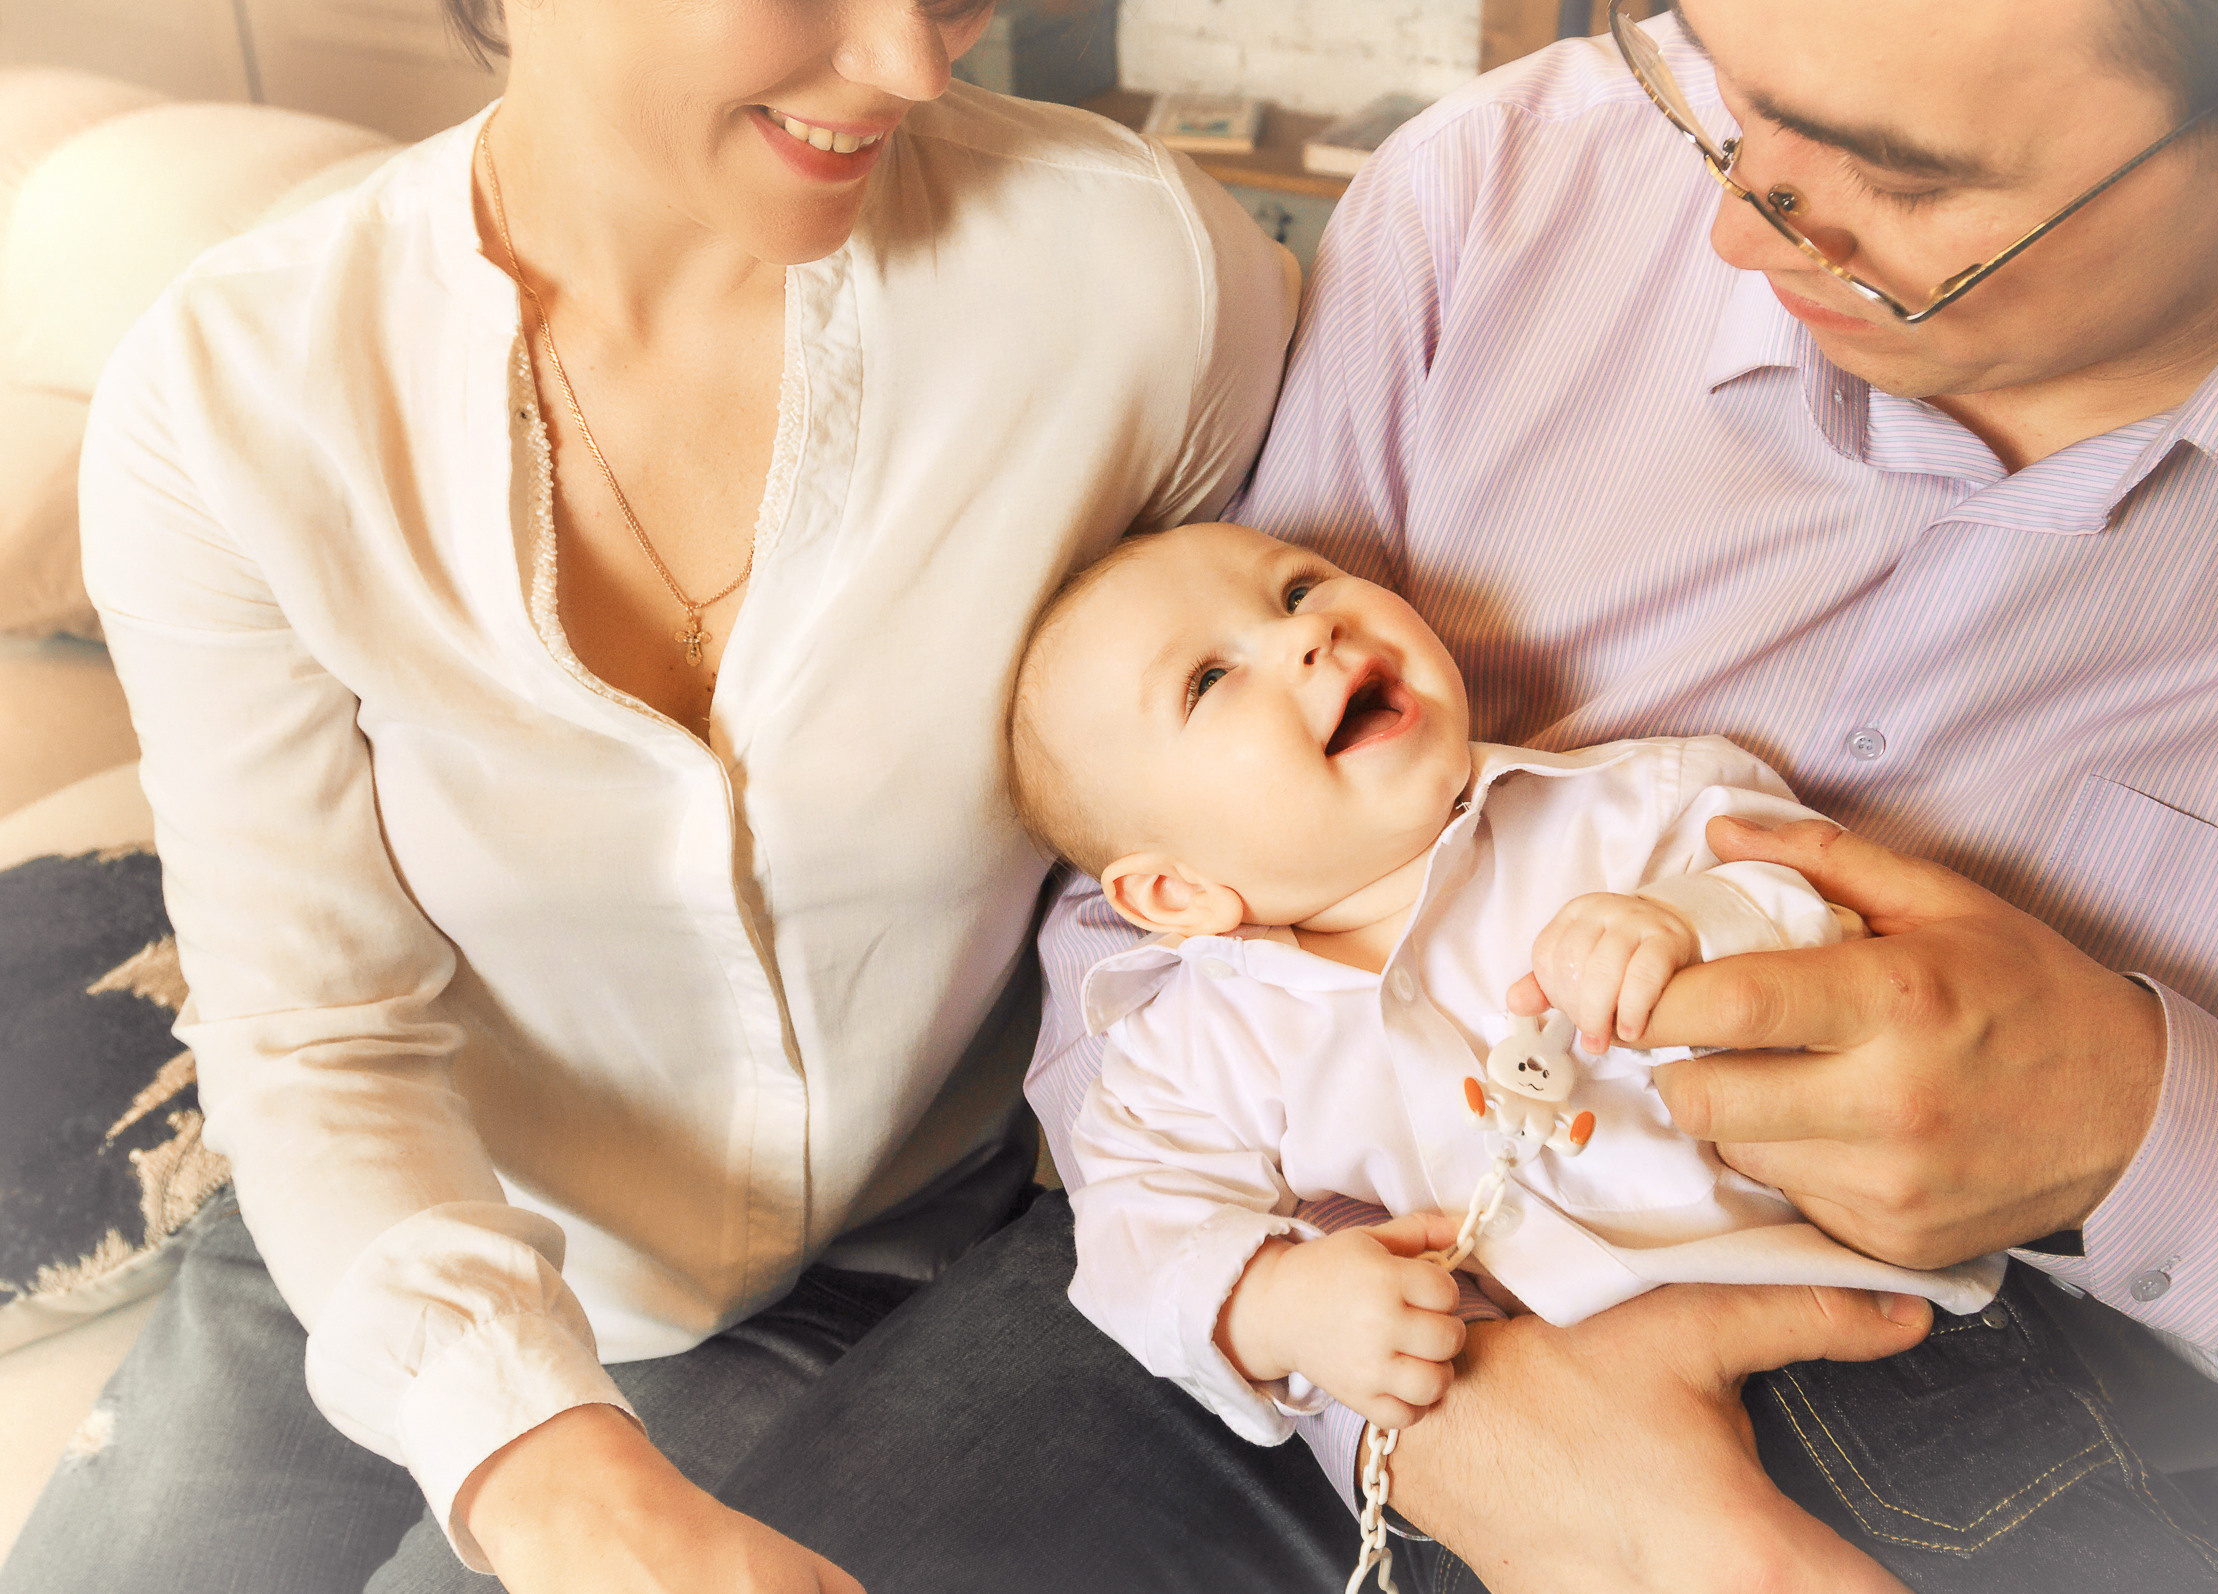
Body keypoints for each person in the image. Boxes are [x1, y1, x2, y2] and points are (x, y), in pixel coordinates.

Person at [696, 2, 2218, 1591]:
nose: (1731, 231)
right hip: (1321, 1293)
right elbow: (1138, 891)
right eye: (1716, 83)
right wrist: (1373, 1367)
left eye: (1892, 171)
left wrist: (2154, 1131)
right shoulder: (1509, 194)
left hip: (1960, 1374)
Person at [0, 0, 1296, 1589]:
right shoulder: (229, 399)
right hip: (381, 1202)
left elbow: (1256, 820)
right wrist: (543, 1468)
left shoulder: (1145, 281)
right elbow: (317, 1031)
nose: (911, 63)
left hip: (873, 1249)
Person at [1008, 518, 2218, 1594]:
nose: (1307, 638)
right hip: (1535, 1472)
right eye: (1210, 679)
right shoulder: (1187, 1044)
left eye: (1298, 588)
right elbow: (1135, 1241)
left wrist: (1685, 922)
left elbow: (1815, 913)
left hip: (1860, 1365)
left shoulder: (1627, 807)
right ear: (1172, 889)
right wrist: (1277, 1302)